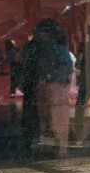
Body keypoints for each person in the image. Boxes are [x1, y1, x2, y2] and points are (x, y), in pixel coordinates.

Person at [17, 19, 74, 158]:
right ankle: (47, 149)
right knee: (45, 120)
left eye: (42, 32)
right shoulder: (41, 47)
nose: (39, 34)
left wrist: (47, 76)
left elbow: (65, 69)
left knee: (51, 121)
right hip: (41, 88)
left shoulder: (52, 48)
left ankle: (51, 149)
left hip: (50, 88)